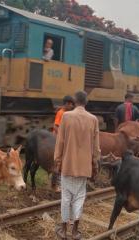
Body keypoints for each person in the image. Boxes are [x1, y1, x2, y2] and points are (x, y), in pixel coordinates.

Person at [54, 91, 100, 240]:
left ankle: (63, 230)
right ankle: (75, 231)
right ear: (86, 102)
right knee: (80, 197)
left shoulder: (66, 117)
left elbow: (60, 141)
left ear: (74, 101)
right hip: (84, 166)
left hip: (67, 164)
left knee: (66, 198)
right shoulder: (93, 119)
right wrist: (95, 163)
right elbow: (96, 146)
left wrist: (57, 161)